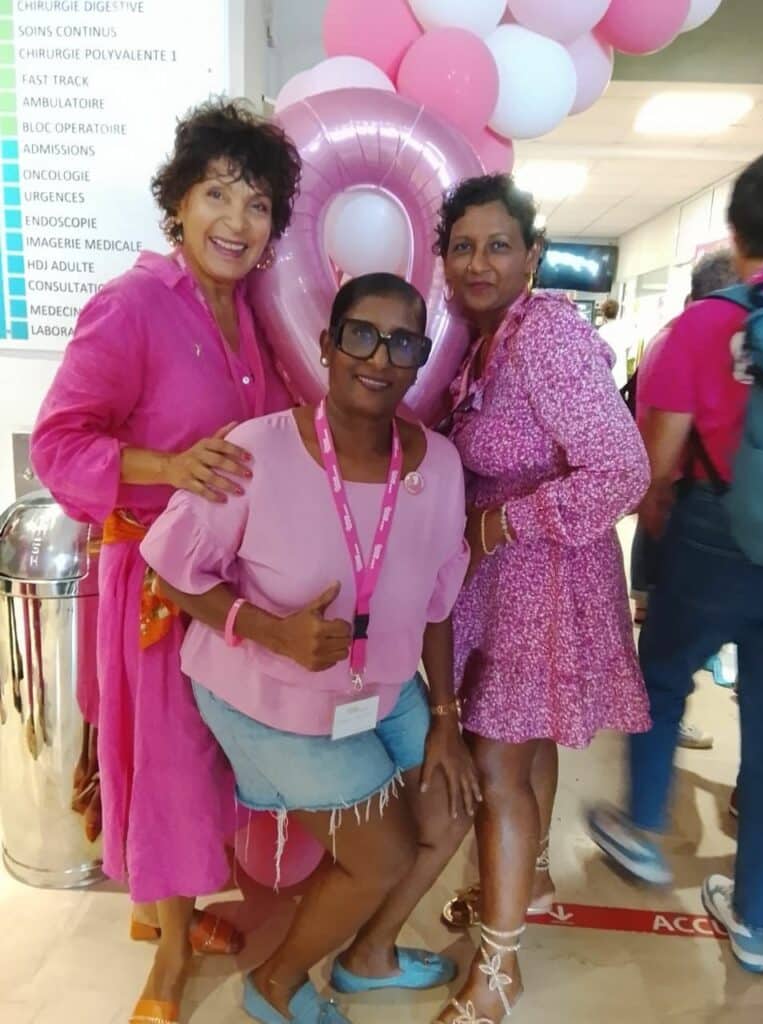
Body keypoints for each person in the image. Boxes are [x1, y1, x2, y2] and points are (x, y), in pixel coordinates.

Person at [141, 272, 482, 1024]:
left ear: (421, 359)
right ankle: (275, 984)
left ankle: (369, 958)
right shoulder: (255, 451)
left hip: (383, 687)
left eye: (403, 343)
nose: (380, 357)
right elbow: (170, 572)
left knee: (450, 807)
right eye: (361, 335)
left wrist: (446, 720)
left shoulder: (439, 465)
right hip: (265, 692)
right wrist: (271, 630)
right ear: (327, 345)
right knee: (382, 853)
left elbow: (438, 600)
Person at [31, 99, 302, 1024]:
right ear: (177, 204)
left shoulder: (255, 314)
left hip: (226, 586)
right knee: (173, 767)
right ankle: (172, 953)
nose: (236, 220)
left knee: (210, 758)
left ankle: (164, 907)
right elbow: (60, 443)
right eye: (217, 193)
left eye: (258, 203)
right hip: (153, 583)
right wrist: (167, 466)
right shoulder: (133, 305)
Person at [432, 174, 651, 1023]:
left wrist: (499, 524)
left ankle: (499, 973)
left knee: (496, 766)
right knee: (523, 748)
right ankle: (522, 882)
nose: (478, 263)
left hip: (542, 576)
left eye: (498, 245)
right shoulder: (486, 340)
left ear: (532, 254)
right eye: (462, 247)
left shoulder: (547, 335)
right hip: (507, 576)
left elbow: (622, 470)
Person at [587, 153, 763, 975]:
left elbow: (655, 462)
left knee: (660, 678)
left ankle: (645, 830)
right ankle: (757, 919)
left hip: (714, 531)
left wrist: (654, 515)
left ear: (736, 231)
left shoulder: (704, 326)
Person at [630, 249, 740, 752]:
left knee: (665, 632)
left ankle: (656, 714)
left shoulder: (674, 337)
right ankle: (658, 716)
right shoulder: (698, 338)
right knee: (671, 634)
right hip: (686, 499)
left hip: (676, 496)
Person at [599, 297, 635, 389]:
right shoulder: (624, 329)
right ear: (617, 312)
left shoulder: (602, 331)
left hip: (606, 377)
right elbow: (630, 350)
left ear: (604, 313)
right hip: (621, 378)